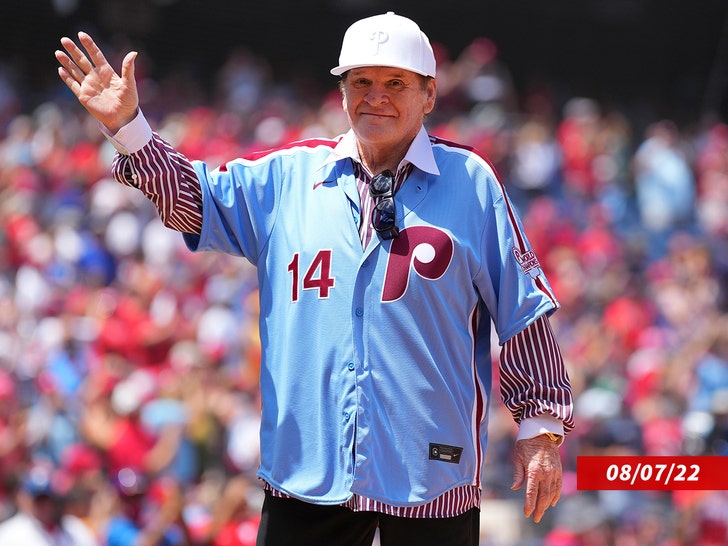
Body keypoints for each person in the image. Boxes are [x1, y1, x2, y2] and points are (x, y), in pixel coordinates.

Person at [55, 11, 574, 545]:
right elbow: (196, 200)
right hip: (305, 479)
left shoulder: (472, 182)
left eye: (395, 83)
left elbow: (522, 310)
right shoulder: (289, 177)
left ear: (429, 94)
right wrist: (129, 128)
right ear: (342, 92)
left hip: (431, 482)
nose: (376, 97)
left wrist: (539, 429)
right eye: (361, 82)